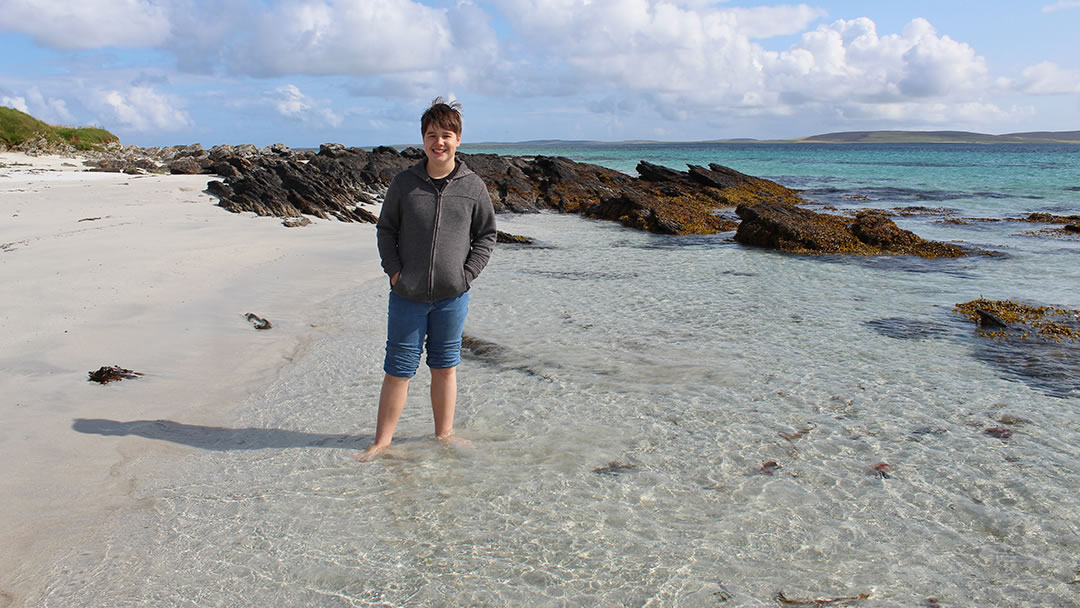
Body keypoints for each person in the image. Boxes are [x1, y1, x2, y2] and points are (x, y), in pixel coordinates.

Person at [355, 97, 497, 462]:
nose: (439, 142)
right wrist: (395, 272)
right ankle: (383, 441)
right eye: (432, 135)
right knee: (398, 369)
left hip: (452, 295)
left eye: (446, 135)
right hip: (407, 293)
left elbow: (486, 235)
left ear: (458, 140)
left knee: (445, 366)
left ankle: (444, 435)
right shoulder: (405, 184)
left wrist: (466, 275)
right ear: (423, 139)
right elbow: (386, 229)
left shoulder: (473, 186)